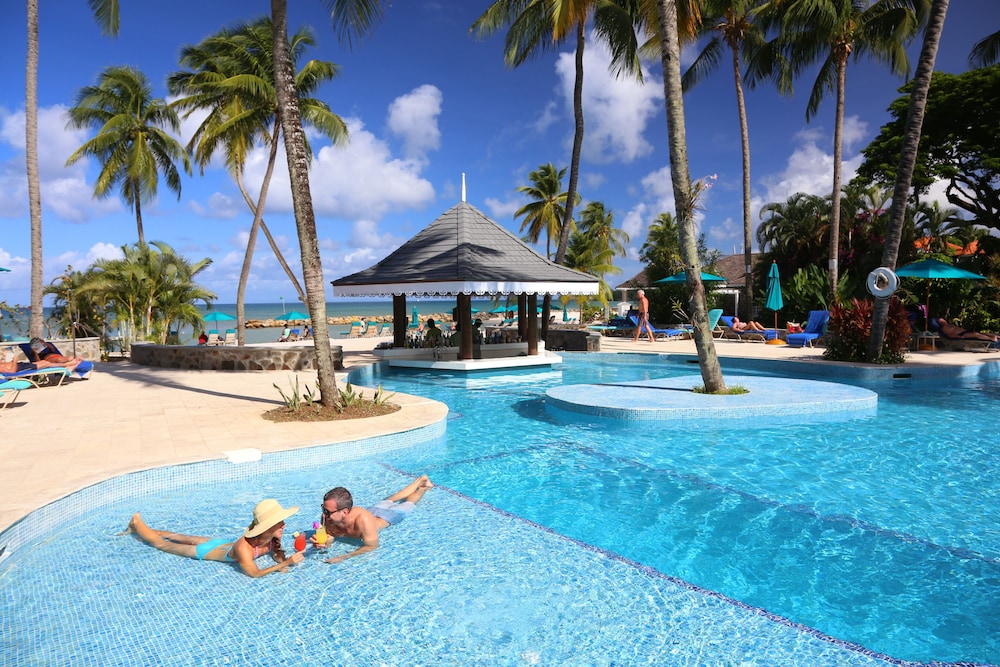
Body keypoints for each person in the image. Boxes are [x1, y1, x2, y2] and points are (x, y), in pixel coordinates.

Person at [121, 499, 304, 578]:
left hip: (223, 544)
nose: (284, 525)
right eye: (279, 522)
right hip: (205, 551)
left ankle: (136, 528)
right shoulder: (244, 548)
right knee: (161, 543)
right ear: (267, 526)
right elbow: (254, 573)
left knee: (177, 536)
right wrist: (285, 563)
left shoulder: (271, 538)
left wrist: (281, 561)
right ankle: (137, 523)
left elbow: (276, 552)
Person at [316, 475, 433, 564]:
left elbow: (372, 546)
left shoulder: (363, 520)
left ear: (344, 512)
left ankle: (422, 487)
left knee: (409, 503)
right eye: (323, 509)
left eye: (328, 512)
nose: (324, 514)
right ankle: (421, 480)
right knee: (390, 499)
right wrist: (325, 543)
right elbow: (329, 535)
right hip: (373, 511)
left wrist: (344, 557)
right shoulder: (328, 516)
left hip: (388, 516)